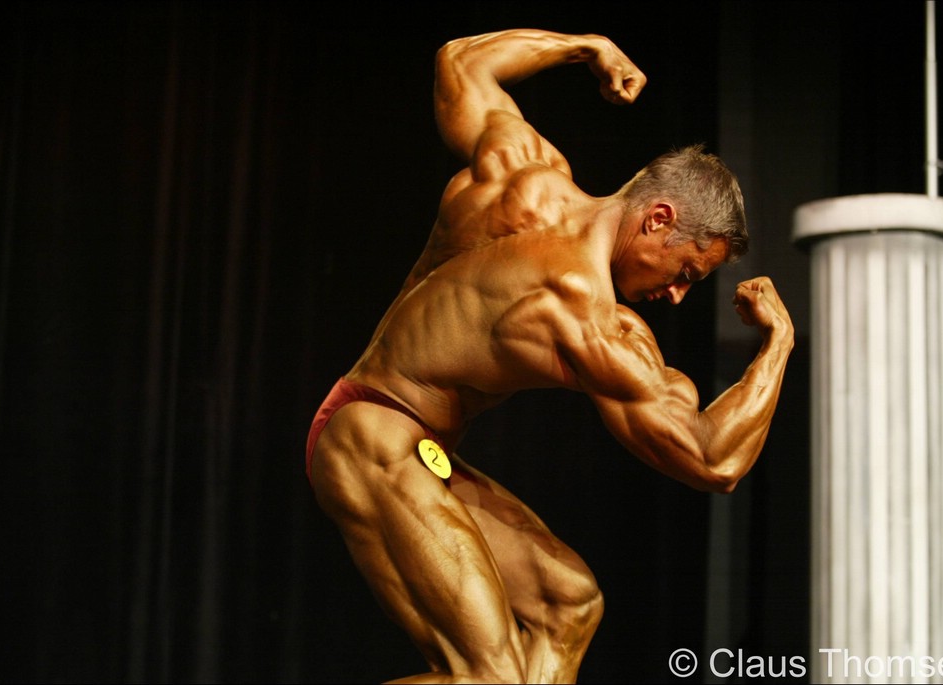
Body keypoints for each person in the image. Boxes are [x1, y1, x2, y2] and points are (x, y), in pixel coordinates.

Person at [306, 28, 794, 684]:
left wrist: (587, 47)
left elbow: (462, 63)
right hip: (372, 436)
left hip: (415, 444)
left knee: (569, 605)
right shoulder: (581, 312)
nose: (677, 294)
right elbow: (714, 459)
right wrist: (778, 344)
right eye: (685, 271)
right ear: (657, 218)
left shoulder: (523, 175)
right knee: (489, 676)